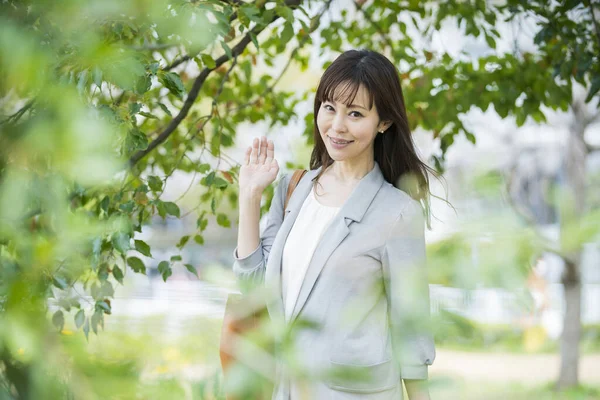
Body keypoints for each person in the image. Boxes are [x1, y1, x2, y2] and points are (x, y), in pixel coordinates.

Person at [233, 49, 436, 400]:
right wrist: (249, 196)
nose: (337, 126)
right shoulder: (293, 190)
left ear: (383, 122)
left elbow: (411, 329)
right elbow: (255, 289)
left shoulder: (397, 212)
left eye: (355, 113)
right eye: (329, 108)